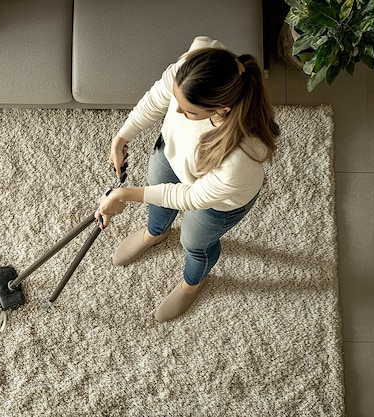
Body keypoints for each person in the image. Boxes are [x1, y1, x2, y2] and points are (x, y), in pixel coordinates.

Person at [95, 36, 280, 322]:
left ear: (221, 110)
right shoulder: (193, 64)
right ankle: (156, 233)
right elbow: (158, 98)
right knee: (156, 197)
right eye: (178, 102)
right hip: (171, 154)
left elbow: (190, 197)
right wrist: (121, 137)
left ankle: (191, 284)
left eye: (189, 112)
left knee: (194, 242)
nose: (177, 112)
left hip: (218, 202)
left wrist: (122, 195)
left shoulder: (242, 156)